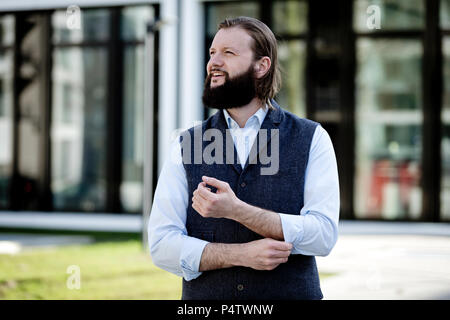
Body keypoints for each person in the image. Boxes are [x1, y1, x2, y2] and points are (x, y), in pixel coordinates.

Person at [148, 16, 340, 300]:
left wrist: (236, 210)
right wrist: (241, 254)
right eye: (212, 53)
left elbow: (323, 235)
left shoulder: (312, 138)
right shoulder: (185, 143)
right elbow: (162, 244)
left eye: (229, 53)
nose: (214, 61)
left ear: (261, 66)